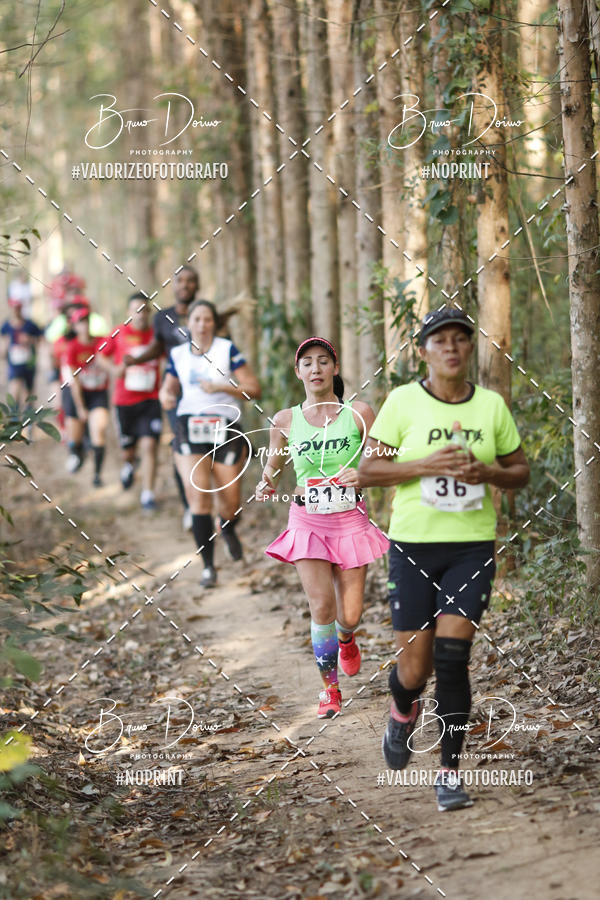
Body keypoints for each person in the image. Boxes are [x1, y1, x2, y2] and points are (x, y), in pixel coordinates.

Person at [358, 307, 530, 812]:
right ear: (423, 351)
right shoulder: (403, 402)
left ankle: (449, 772)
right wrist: (423, 465)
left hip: (471, 547)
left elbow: (518, 470)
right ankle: (402, 710)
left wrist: (490, 474)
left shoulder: (491, 407)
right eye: (441, 341)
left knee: (453, 661)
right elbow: (368, 469)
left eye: (460, 339)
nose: (451, 348)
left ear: (468, 349)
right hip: (412, 546)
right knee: (415, 668)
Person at [256, 337, 389, 719]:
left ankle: (347, 638)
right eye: (308, 364)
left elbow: (382, 456)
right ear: (298, 373)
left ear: (335, 369)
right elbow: (275, 465)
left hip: (350, 519)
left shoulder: (360, 412)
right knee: (321, 607)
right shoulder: (284, 420)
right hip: (306, 518)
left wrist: (361, 472)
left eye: (323, 362)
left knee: (350, 614)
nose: (316, 369)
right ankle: (330, 690)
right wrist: (266, 481)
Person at [159, 299, 260, 588]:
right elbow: (168, 389)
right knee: (198, 497)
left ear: (215, 323)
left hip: (225, 428)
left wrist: (221, 387)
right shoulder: (177, 354)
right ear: (188, 324)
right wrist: (166, 397)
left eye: (207, 320)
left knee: (230, 503)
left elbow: (253, 389)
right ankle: (208, 567)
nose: (202, 325)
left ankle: (227, 528)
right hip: (189, 428)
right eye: (197, 320)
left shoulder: (227, 350)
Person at [124, 266, 199, 530]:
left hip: (207, 392)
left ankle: (218, 508)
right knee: (181, 445)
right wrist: (137, 359)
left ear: (197, 286)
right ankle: (191, 507)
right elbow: (157, 348)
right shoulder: (163, 318)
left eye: (191, 281)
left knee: (208, 449)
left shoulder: (204, 313)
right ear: (174, 285)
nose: (185, 285)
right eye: (181, 281)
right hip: (177, 394)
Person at [97, 293, 163, 511]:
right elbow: (100, 356)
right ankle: (128, 464)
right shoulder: (119, 332)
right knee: (129, 449)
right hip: (124, 401)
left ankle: (148, 495)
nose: (140, 315)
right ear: (128, 312)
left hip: (150, 398)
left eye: (144, 310)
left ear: (149, 313)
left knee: (150, 445)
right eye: (136, 310)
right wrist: (114, 370)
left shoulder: (157, 335)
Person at [63, 306, 110, 486]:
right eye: (80, 322)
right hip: (77, 393)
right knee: (74, 437)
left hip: (98, 392)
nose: (85, 325)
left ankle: (97, 474)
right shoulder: (72, 348)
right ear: (75, 326)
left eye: (87, 321)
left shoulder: (100, 342)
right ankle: (78, 451)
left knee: (99, 429)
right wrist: (81, 407)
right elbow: (74, 381)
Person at [1, 298, 43, 405]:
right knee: (14, 390)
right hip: (14, 364)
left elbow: (40, 339)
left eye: (18, 308)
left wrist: (29, 340)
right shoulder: (6, 326)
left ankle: (28, 417)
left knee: (29, 394)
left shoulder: (30, 325)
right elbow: (3, 342)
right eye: (14, 308)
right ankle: (14, 418)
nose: (16, 311)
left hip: (29, 363)